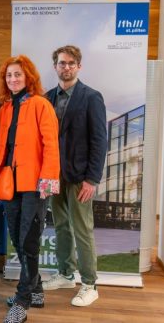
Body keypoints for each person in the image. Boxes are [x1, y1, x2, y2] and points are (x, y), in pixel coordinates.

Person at [0, 55, 59, 323]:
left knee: (28, 241)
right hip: (9, 185)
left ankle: (21, 300)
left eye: (18, 74)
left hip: (34, 185)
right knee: (18, 241)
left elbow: (51, 144)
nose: (13, 79)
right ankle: (37, 290)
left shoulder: (41, 105)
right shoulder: (4, 108)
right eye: (9, 75)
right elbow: (1, 148)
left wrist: (48, 180)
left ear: (28, 76)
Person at [42, 45, 107, 307]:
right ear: (55, 66)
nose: (66, 67)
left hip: (80, 177)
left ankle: (90, 284)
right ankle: (66, 274)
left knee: (82, 230)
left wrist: (92, 179)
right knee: (60, 227)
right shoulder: (47, 98)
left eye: (71, 63)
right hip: (54, 176)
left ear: (78, 66)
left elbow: (100, 140)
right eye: (61, 63)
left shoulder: (91, 97)